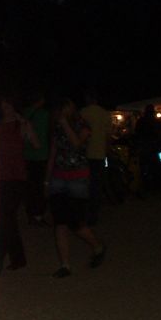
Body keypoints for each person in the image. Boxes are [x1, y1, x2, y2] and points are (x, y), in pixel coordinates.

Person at [46, 96, 106, 278]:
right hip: (59, 177)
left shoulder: (83, 126)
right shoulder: (56, 127)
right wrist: (47, 179)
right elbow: (53, 153)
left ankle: (98, 246)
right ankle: (65, 265)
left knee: (76, 222)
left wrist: (65, 124)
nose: (61, 113)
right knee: (60, 222)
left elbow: (77, 144)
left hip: (77, 178)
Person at [0, 94, 37, 270]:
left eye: (8, 106)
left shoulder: (21, 125)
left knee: (6, 218)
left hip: (16, 176)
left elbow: (36, 144)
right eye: (3, 106)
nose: (6, 109)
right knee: (6, 219)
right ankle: (18, 259)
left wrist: (25, 124)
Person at [80, 89, 112, 223]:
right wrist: (107, 151)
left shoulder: (82, 112)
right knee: (96, 184)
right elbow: (108, 136)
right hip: (99, 154)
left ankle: (84, 211)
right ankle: (93, 213)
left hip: (84, 153)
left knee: (84, 183)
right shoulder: (105, 114)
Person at [21, 91, 50, 226]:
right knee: (39, 187)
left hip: (27, 155)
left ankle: (30, 214)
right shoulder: (45, 114)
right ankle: (38, 215)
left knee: (30, 187)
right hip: (41, 155)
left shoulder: (25, 113)